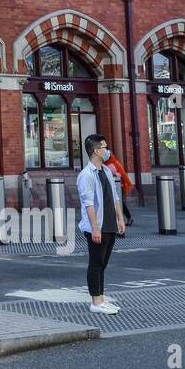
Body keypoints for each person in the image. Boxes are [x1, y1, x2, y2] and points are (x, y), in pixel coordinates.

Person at [77, 133, 127, 314]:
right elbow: (88, 204)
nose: (107, 150)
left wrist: (120, 218)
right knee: (96, 263)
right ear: (96, 151)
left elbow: (115, 197)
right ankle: (95, 302)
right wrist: (95, 228)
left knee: (103, 263)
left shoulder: (106, 171)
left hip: (110, 223)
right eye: (104, 147)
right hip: (97, 225)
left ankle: (101, 299)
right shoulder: (86, 175)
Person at [105, 153, 134, 226]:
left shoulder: (110, 165)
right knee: (119, 203)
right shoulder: (115, 163)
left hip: (117, 187)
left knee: (119, 203)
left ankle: (127, 218)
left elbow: (115, 175)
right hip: (119, 186)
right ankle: (127, 218)